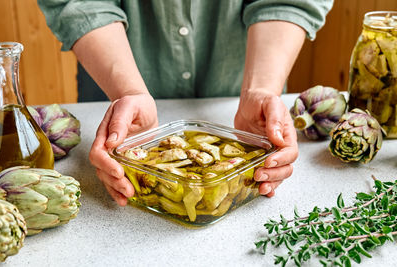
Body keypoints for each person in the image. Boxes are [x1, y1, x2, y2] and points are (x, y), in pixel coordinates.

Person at [38, 0, 333, 206]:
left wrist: (260, 90)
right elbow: (82, 4)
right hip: (113, 79)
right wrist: (128, 91)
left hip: (242, 80)